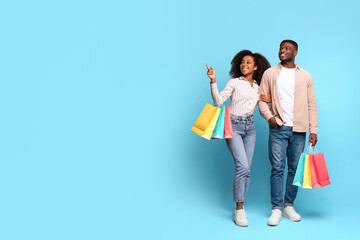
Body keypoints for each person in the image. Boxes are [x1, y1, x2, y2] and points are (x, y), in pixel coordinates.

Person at [206, 50, 271, 227]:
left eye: (248, 62)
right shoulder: (234, 82)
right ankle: (239, 209)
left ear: (256, 67)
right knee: (242, 166)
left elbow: (265, 106)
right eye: (242, 62)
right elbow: (219, 101)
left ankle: (241, 207)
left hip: (250, 128)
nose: (244, 65)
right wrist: (213, 81)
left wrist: (269, 99)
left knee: (247, 169)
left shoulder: (258, 87)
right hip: (233, 125)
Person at [258, 40, 318, 226]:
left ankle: (288, 206)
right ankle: (276, 209)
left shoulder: (305, 76)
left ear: (295, 52)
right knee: (277, 168)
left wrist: (313, 130)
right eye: (281, 48)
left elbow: (311, 104)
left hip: (299, 129)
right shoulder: (270, 73)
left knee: (294, 169)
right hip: (278, 128)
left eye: (287, 49)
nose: (282, 51)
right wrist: (270, 118)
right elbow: (261, 99)